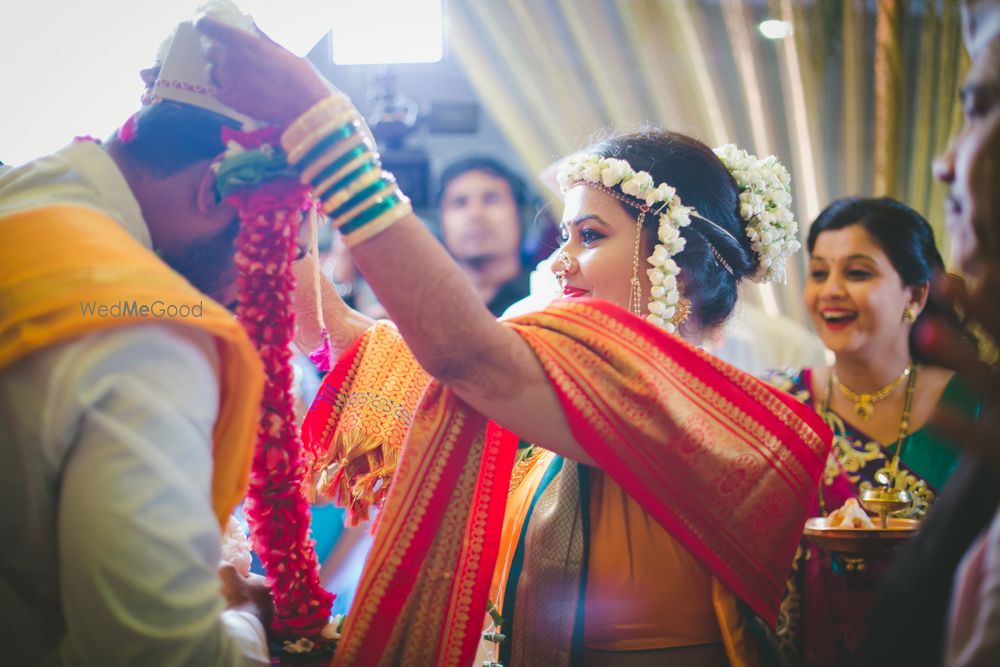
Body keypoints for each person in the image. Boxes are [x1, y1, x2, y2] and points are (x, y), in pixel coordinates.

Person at [198, 18, 832, 667]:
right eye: (564, 237)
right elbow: (327, 326)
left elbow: (465, 354)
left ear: (682, 264)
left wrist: (321, 130)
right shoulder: (545, 410)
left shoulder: (688, 413)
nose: (561, 262)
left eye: (590, 235)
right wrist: (283, 181)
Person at [0, 16, 280, 667]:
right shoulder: (150, 326)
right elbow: (156, 653)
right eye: (270, 242)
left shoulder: (22, 197)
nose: (254, 288)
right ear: (216, 188)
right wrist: (238, 615)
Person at [763, 197, 976, 666]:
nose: (831, 291)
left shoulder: (973, 407)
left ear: (916, 296)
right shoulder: (775, 402)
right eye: (819, 273)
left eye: (857, 273)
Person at [858, 2, 1000, 665]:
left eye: (979, 108)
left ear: (917, 294)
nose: (946, 163)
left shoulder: (965, 400)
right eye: (818, 270)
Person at [438, 156, 535, 316]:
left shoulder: (546, 295)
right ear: (441, 222)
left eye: (491, 199)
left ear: (521, 214)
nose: (475, 214)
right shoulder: (427, 306)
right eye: (459, 203)